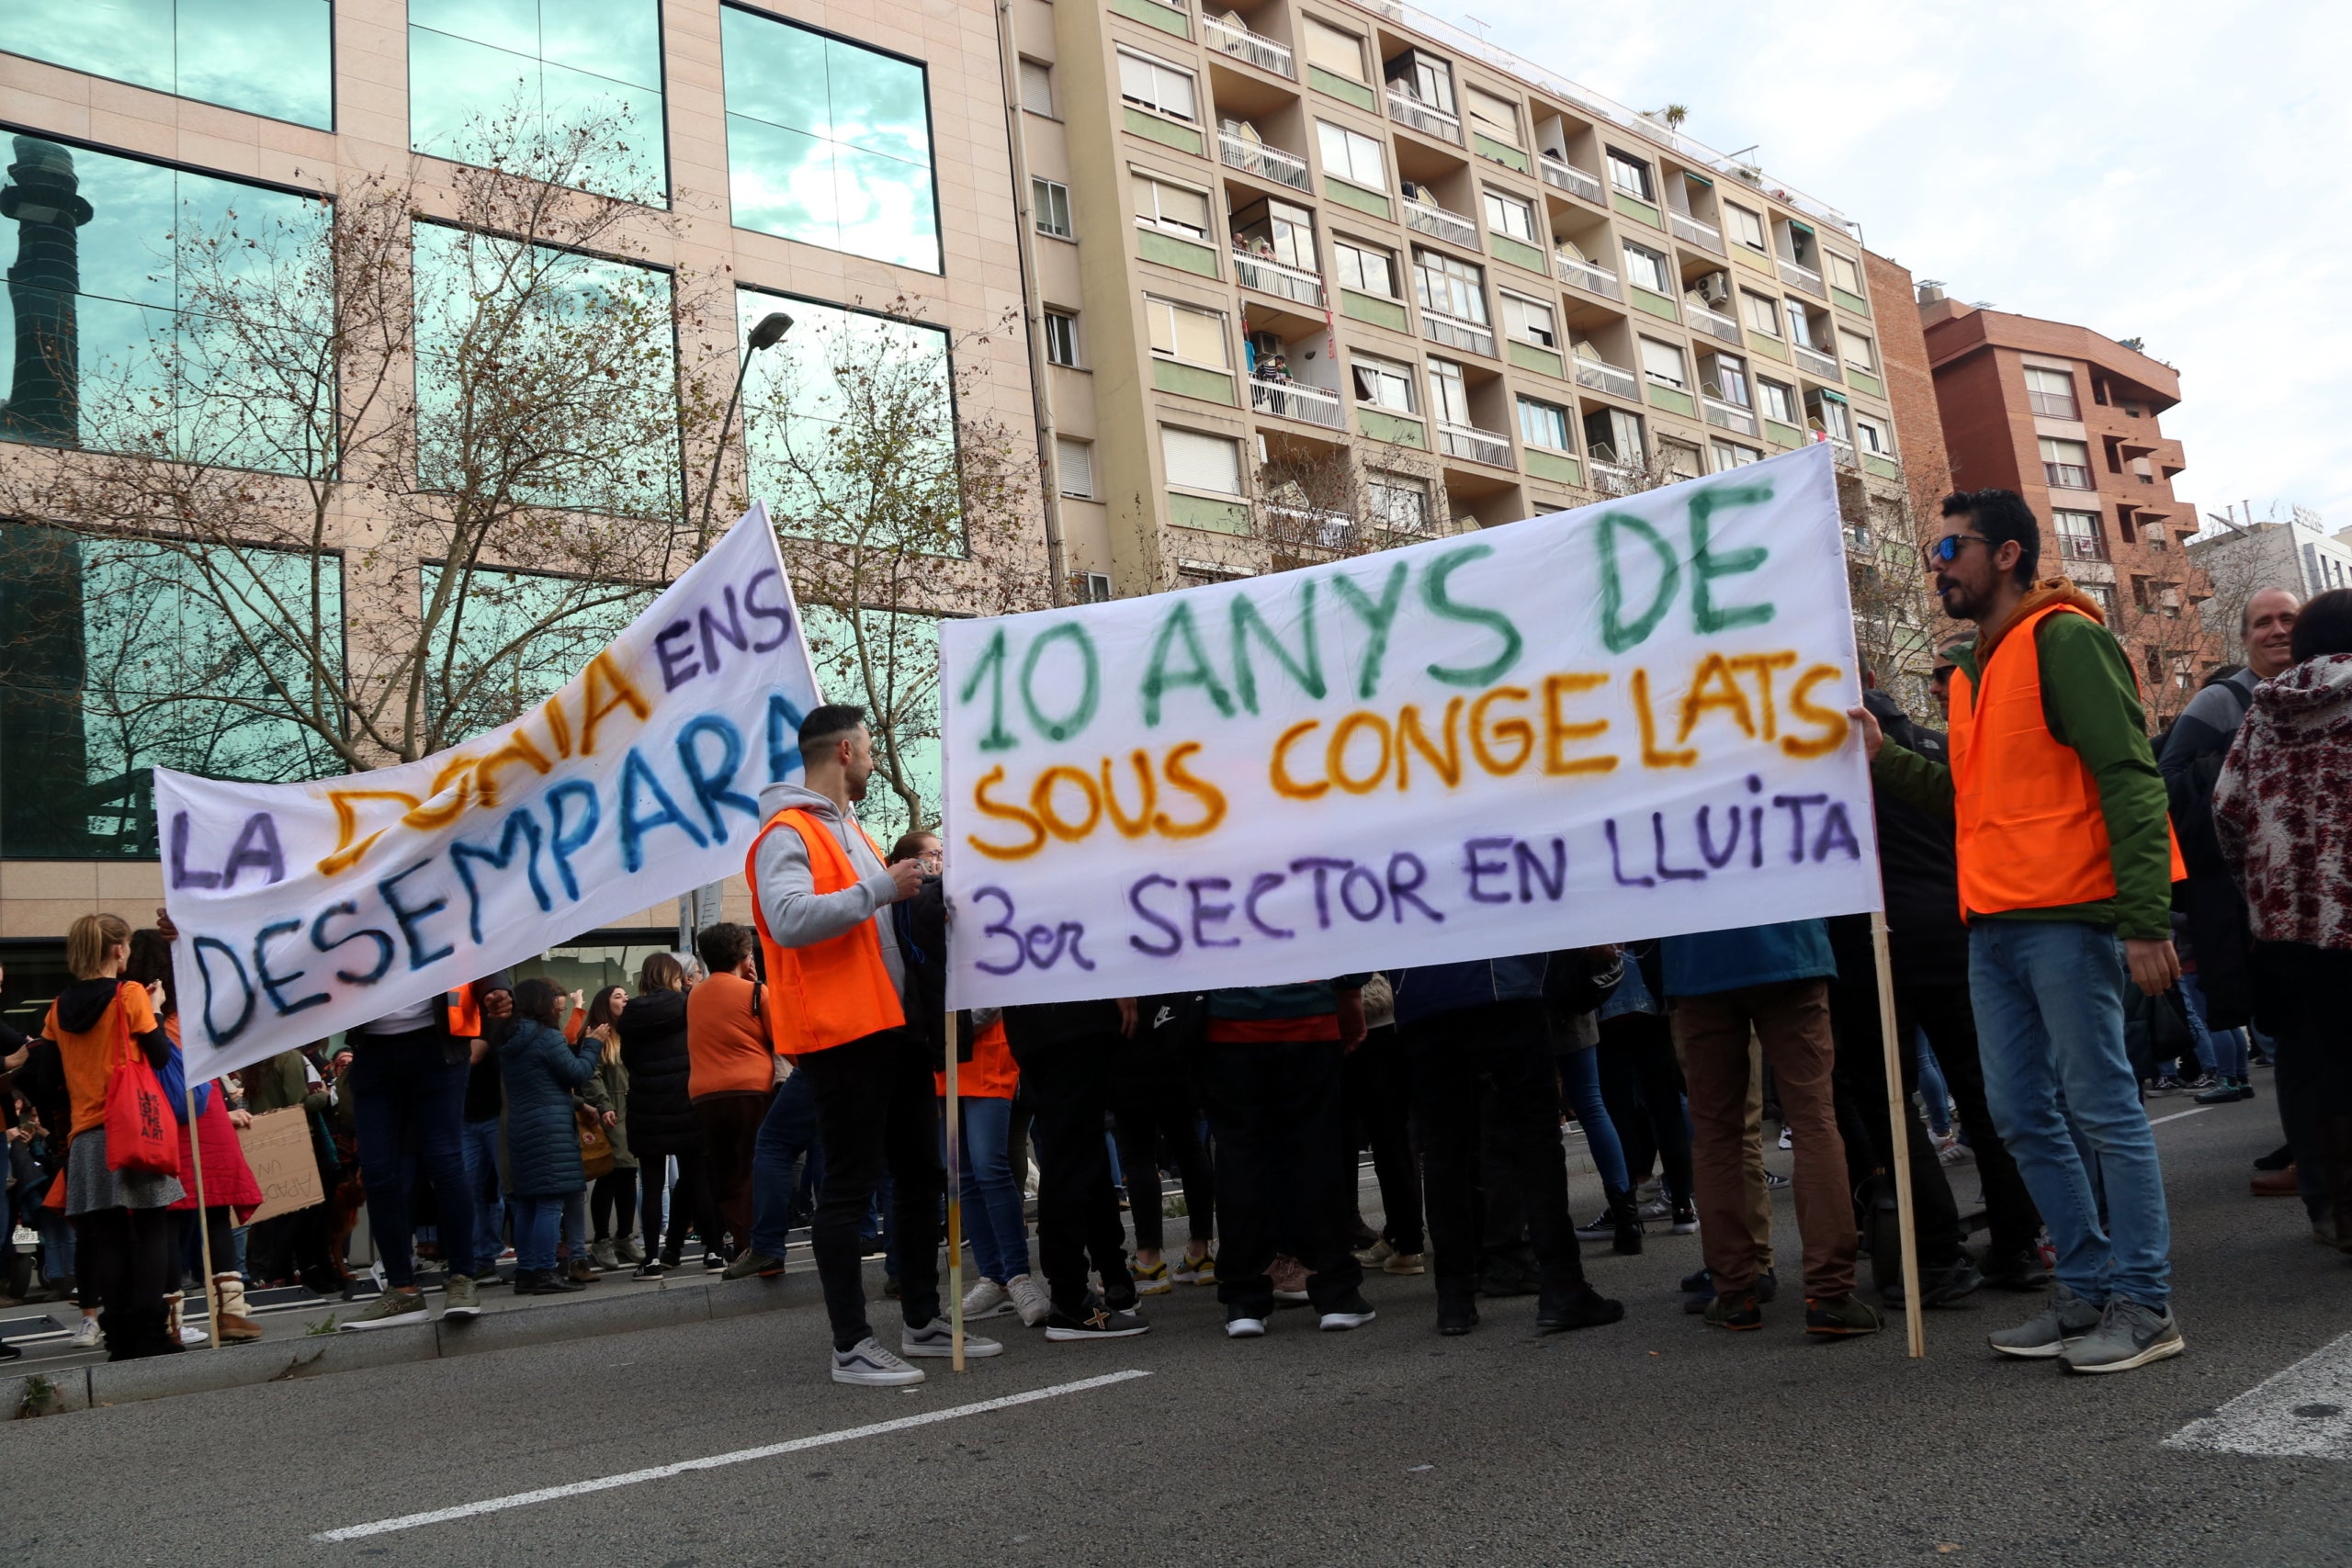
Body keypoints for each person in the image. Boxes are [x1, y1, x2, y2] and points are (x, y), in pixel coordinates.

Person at [1855, 487, 2187, 1374]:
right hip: (1992, 925)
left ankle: (2145, 1303)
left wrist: (2145, 918)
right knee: (2017, 1114)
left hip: (2069, 918)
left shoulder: (2066, 640)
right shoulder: (1972, 673)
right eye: (1934, 552)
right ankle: (2083, 1289)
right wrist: (1886, 760)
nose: (1937, 567)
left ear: (2005, 554)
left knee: (2103, 1108)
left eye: (1949, 548)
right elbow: (1967, 799)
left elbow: (2130, 776)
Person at [747, 705, 995, 1385]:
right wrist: (884, 886)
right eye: (869, 751)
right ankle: (851, 1344)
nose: (875, 763)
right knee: (851, 1187)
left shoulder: (848, 827)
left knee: (919, 1175)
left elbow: (874, 924)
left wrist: (916, 901)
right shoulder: (784, 832)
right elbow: (788, 917)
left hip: (890, 1029)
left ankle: (921, 1321)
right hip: (840, 1034)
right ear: (847, 749)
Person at [1827, 684, 2044, 1302]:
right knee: (1982, 1093)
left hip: (1873, 941)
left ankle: (1936, 1253)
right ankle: (2019, 1245)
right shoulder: (1938, 746)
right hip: (1952, 929)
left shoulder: (1834, 757)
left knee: (1887, 1100)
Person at [2214, 588, 2352, 1252]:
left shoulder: (2263, 710)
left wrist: (2259, 885)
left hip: (2288, 926)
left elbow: (2226, 807)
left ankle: (2333, 1208)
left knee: (2315, 1063)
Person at [1665, 921, 1878, 1337]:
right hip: (1789, 948)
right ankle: (1829, 1294)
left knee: (1716, 1135)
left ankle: (1734, 1294)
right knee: (1814, 1120)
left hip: (1697, 959)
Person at [2163, 589, 2300, 1114]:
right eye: (2263, 622)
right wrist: (2246, 763)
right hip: (2247, 900)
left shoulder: (2327, 690)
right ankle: (2305, 1149)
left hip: (2318, 892)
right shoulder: (2220, 701)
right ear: (2244, 640)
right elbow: (2168, 782)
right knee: (2284, 1021)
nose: (2278, 630)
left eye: (2288, 618)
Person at [1200, 981, 1377, 1337]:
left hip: (1230, 1018)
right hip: (1307, 1013)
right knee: (1317, 1156)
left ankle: (1244, 1299)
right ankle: (1336, 1294)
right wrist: (1350, 992)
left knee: (1240, 1162)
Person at [46, 913, 184, 1360]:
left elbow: (46, 1074)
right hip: (133, 1127)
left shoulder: (57, 1008)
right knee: (151, 1225)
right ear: (118, 950)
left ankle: (120, 1337)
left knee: (107, 1238)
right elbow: (161, 1056)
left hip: (86, 1135)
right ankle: (152, 1334)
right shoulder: (129, 995)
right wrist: (157, 1008)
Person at [124, 930, 266, 1345]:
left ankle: (171, 1321)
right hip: (207, 1118)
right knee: (216, 1214)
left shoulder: (136, 1012)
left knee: (164, 1219)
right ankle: (232, 1312)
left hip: (158, 1121)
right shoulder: (195, 1010)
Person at [1000, 997, 1150, 1340]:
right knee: (1071, 1153)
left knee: (1084, 1148)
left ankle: (1110, 1278)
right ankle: (1070, 1299)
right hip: (1068, 1014)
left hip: (1046, 1016)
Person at [496, 979, 604, 1294]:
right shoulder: (547, 1037)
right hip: (550, 1130)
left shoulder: (510, 1039)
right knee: (548, 1205)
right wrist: (593, 1044)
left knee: (528, 1203)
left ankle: (527, 1271)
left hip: (521, 1128)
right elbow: (577, 1073)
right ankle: (544, 1271)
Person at [942, 1011, 1044, 1324]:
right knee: (962, 1175)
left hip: (984, 1050)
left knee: (990, 1167)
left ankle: (1017, 1277)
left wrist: (947, 1028)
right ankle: (993, 1278)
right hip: (940, 1061)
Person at [1114, 992, 1219, 1292]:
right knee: (1188, 1144)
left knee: (1138, 1150)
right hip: (1179, 1023)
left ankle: (1148, 1260)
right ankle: (1200, 1252)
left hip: (1134, 1028)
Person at [616, 953, 712, 1279]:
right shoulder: (688, 1005)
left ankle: (652, 1259)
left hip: (647, 1108)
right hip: (687, 1102)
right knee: (698, 1178)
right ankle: (713, 1251)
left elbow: (628, 1060)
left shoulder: (630, 1015)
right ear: (674, 977)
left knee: (653, 1183)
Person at [687, 923, 776, 1269]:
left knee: (727, 1174)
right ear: (744, 956)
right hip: (752, 1088)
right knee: (758, 1165)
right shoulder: (756, 992)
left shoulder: (694, 996)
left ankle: (742, 1243)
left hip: (705, 1093)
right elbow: (779, 1038)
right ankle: (764, 1244)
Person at [1343, 978, 1420, 1276]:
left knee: (1389, 1142)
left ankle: (1407, 1242)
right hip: (1392, 1014)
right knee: (1396, 1140)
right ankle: (1400, 1235)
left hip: (1365, 1020)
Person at [582, 988, 640, 1271]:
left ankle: (624, 1236)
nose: (625, 999)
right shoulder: (599, 1034)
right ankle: (603, 1238)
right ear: (605, 1003)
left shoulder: (629, 1032)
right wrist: (604, 1104)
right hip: (612, 1111)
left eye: (626, 994)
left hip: (633, 1111)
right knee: (611, 1173)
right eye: (618, 995)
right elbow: (589, 1075)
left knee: (629, 1173)